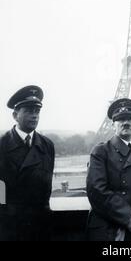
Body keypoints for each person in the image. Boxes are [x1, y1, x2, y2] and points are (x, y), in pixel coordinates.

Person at [86, 98, 131, 241]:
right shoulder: (100, 151)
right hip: (107, 230)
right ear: (113, 124)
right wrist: (126, 217)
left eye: (130, 118)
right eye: (120, 119)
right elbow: (96, 190)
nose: (125, 123)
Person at [0, 85, 55, 241]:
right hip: (11, 227)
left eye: (37, 111)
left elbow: (46, 189)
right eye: (29, 111)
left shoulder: (47, 145)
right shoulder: (2, 145)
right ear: (15, 115)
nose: (34, 116)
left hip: (40, 226)